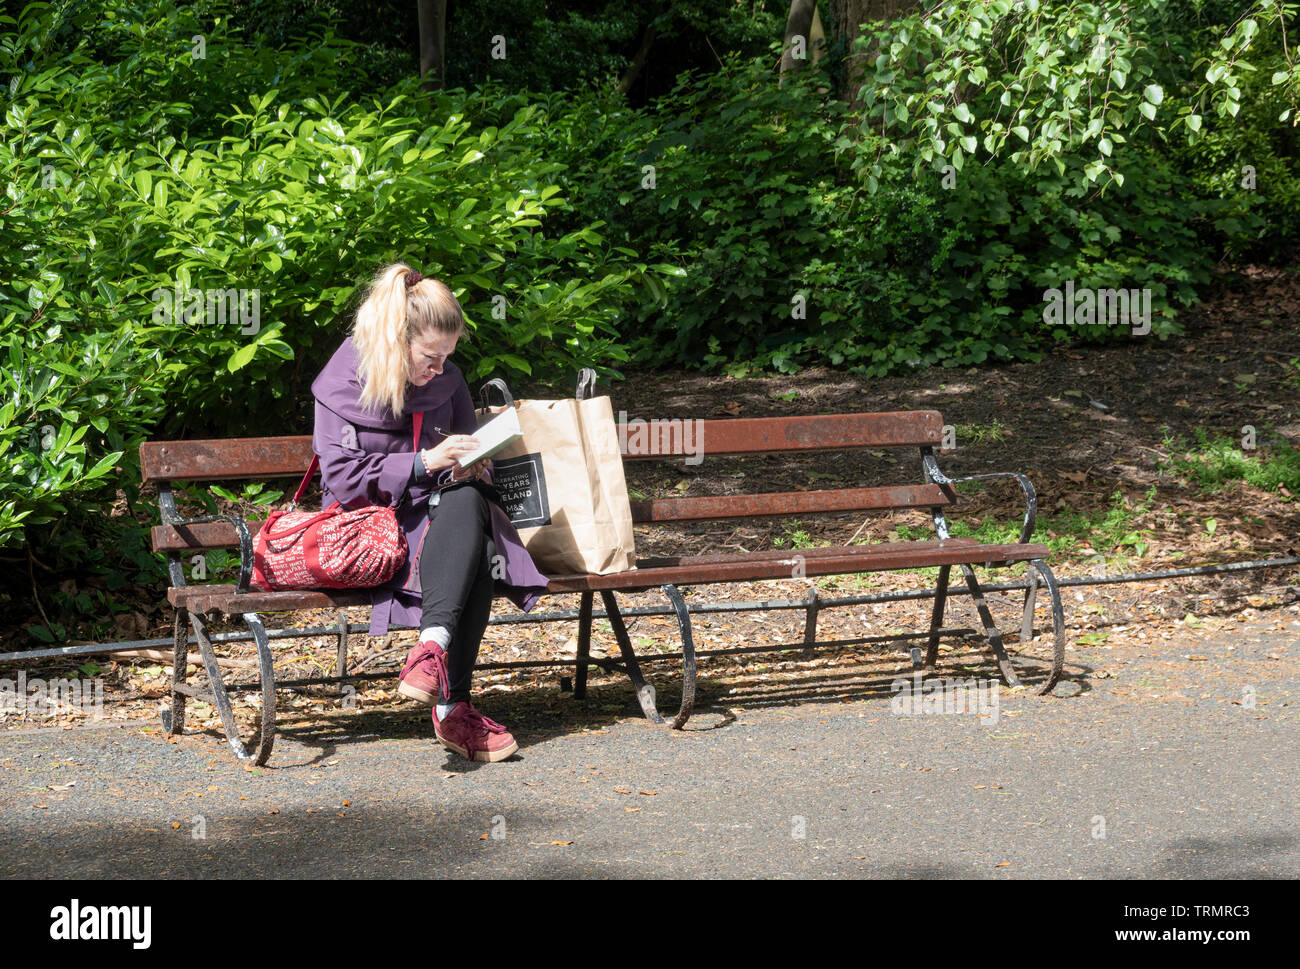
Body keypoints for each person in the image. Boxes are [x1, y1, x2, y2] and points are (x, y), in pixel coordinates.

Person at [309, 263, 550, 762]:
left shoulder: (448, 381)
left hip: (437, 514)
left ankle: (429, 650)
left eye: (448, 357)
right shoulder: (340, 382)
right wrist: (422, 463)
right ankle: (452, 706)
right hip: (365, 525)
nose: (440, 370)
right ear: (397, 340)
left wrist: (467, 467)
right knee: (479, 547)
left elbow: (458, 460)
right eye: (430, 357)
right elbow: (344, 481)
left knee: (469, 503)